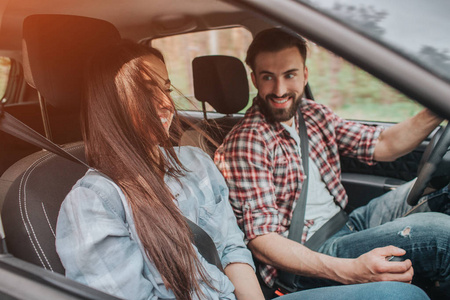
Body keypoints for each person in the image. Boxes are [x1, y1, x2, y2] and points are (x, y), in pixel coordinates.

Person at [54, 40, 430, 300]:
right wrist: (349, 270)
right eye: (142, 90)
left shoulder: (194, 163)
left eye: (165, 87)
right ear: (111, 104)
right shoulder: (94, 204)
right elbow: (258, 238)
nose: (164, 102)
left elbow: (232, 248)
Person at [214, 28, 450, 299]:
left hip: (349, 222)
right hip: (309, 255)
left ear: (305, 74)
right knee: (442, 236)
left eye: (289, 75)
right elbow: (263, 242)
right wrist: (350, 270)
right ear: (255, 79)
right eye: (268, 77)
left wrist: (437, 107)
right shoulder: (247, 142)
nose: (279, 90)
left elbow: (382, 144)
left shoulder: (313, 114)